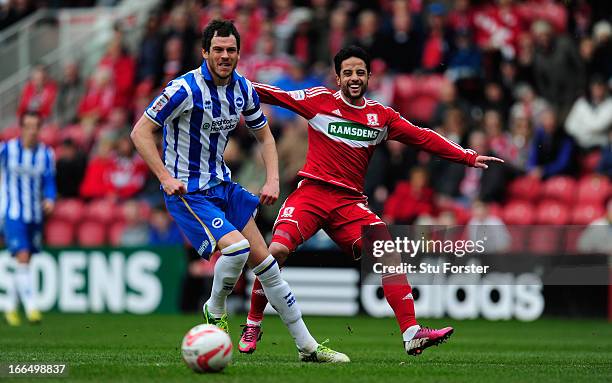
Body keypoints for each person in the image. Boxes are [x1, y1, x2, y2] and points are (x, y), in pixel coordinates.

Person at [241, 45, 503, 356]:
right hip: (312, 193)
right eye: (348, 72)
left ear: (369, 77)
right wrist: (231, 81)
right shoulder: (318, 100)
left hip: (350, 203)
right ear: (338, 77)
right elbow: (273, 94)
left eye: (360, 72)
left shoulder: (381, 116)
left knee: (388, 252)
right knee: (277, 250)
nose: (354, 77)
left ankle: (411, 332)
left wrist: (466, 156)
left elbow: (423, 136)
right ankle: (254, 322)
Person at [130, 19, 348, 363]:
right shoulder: (183, 89)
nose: (225, 56)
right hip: (190, 191)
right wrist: (165, 177)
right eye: (218, 49)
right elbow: (140, 132)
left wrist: (273, 179)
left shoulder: (243, 89)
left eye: (231, 50)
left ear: (238, 53)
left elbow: (265, 136)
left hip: (223, 185)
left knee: (268, 266)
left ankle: (308, 347)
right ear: (205, 52)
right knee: (237, 250)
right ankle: (214, 308)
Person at [1, 111, 56, 326]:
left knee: (25, 261)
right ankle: (32, 307)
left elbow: (49, 180)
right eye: (28, 126)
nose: (32, 131)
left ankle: (9, 308)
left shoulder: (46, 154)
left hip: (34, 213)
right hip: (12, 212)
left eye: (36, 126)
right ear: (21, 128)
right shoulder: (7, 150)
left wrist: (50, 198)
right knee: (22, 256)